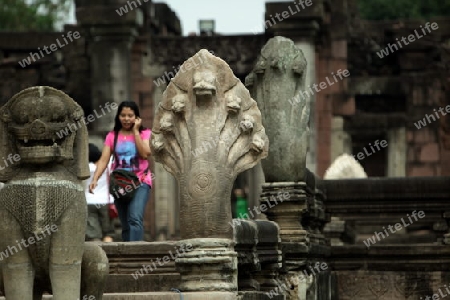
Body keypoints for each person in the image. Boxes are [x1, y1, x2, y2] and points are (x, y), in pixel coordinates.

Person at [89, 101, 152, 241]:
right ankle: (127, 254)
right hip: (119, 183)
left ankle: (135, 253)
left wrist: (136, 132)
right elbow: (104, 160)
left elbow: (145, 154)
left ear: (136, 118)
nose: (127, 119)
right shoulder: (112, 136)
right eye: (123, 115)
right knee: (125, 224)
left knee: (135, 218)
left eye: (130, 115)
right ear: (118, 117)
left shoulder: (145, 133)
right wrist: (95, 179)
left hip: (140, 181)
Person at [85, 143, 115, 242]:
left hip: (89, 202)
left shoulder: (85, 169)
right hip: (105, 202)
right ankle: (110, 254)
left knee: (94, 234)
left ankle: (98, 255)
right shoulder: (107, 165)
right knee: (108, 232)